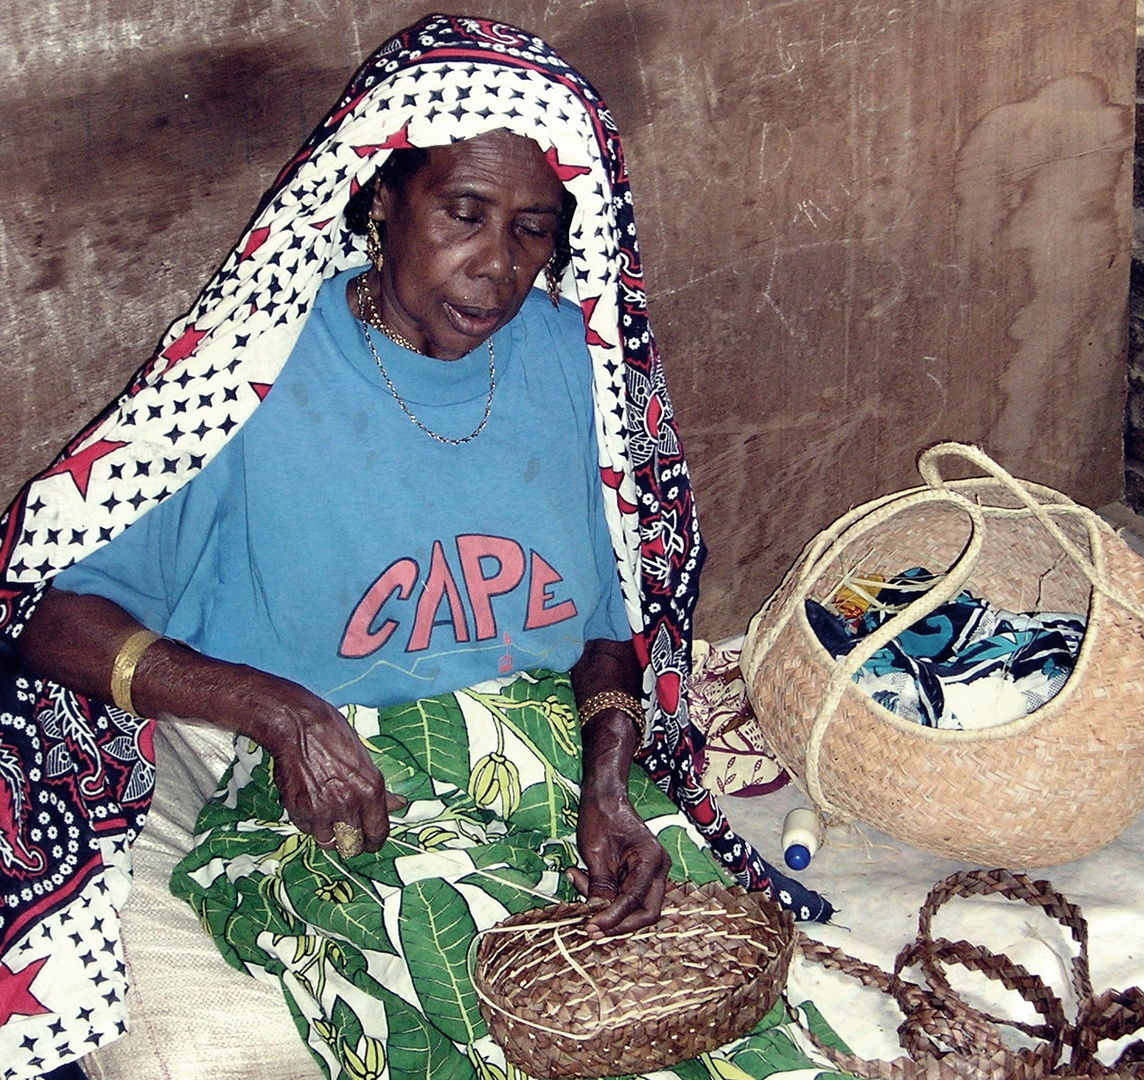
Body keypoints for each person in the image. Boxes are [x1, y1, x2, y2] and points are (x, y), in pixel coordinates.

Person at [0, 15, 831, 1078]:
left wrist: (611, 781)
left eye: (533, 230)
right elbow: (49, 619)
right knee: (466, 985)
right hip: (341, 784)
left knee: (700, 1008)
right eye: (464, 214)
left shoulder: (568, 369)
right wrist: (280, 713)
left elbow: (607, 632)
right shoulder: (251, 378)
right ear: (383, 199)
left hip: (543, 761)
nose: (497, 267)